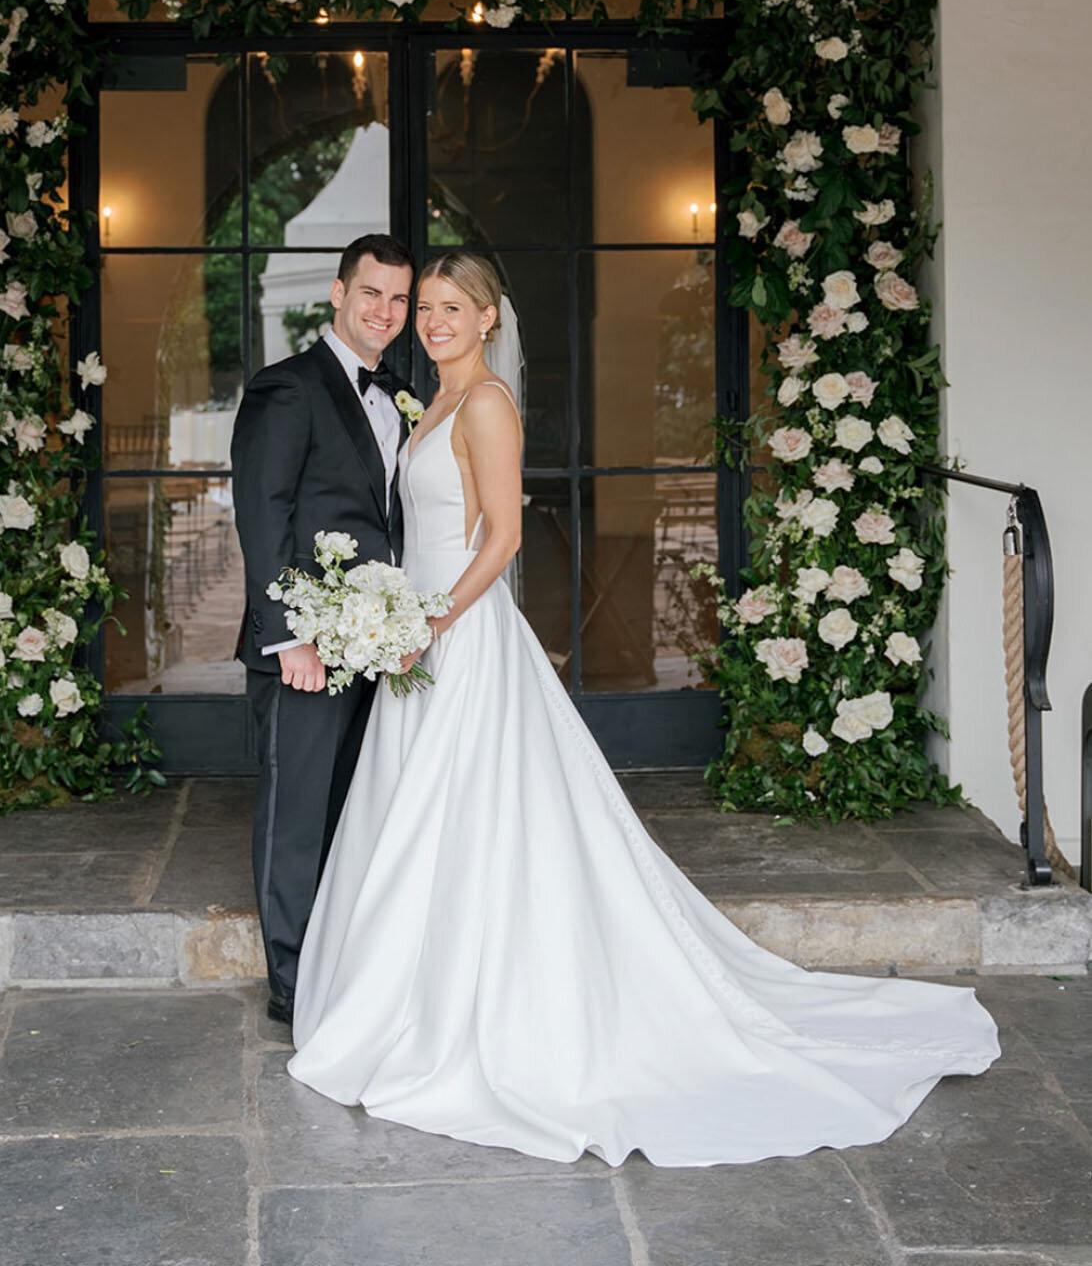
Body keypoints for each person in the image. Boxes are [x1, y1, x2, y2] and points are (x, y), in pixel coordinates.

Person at [287, 251, 1000, 1169]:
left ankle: (468, 1011)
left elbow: (501, 538)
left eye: (451, 306)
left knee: (467, 818)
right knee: (422, 822)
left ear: (491, 317)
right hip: (417, 641)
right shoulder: (433, 404)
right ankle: (408, 998)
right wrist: (395, 617)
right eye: (425, 306)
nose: (432, 319)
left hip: (456, 639)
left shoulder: (489, 405)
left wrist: (429, 620)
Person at [231, 232, 416, 1028]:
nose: (385, 310)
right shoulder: (287, 388)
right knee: (297, 811)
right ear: (338, 294)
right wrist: (289, 637)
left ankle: (338, 959)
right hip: (303, 647)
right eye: (370, 292)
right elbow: (261, 516)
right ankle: (291, 978)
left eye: (399, 299)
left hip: (374, 644)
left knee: (350, 807)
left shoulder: (402, 392)